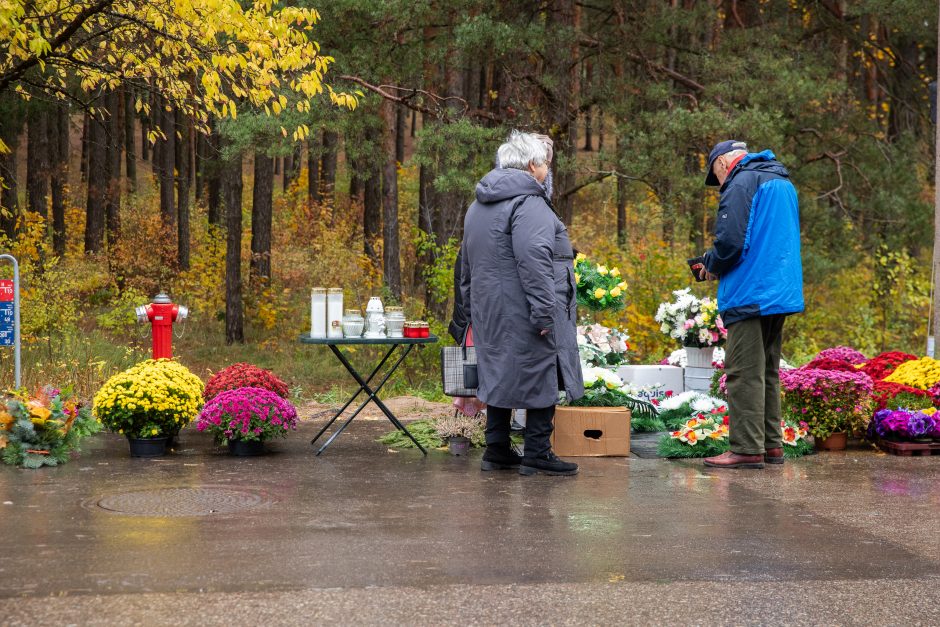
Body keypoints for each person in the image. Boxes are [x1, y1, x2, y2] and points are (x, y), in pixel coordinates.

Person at [460, 130, 583, 476]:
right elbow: (535, 262)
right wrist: (546, 312)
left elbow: (465, 265)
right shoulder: (528, 204)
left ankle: (497, 448)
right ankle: (538, 452)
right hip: (525, 309)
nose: (547, 170)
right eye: (544, 164)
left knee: (498, 372)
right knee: (541, 371)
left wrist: (471, 309)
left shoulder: (478, 205)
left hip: (491, 311)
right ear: (532, 165)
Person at [696, 140, 804, 469]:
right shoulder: (781, 181)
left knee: (743, 373)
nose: (720, 183)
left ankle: (745, 448)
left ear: (723, 163)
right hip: (779, 290)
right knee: (767, 371)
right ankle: (771, 444)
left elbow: (729, 243)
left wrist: (709, 264)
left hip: (749, 291)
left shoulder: (742, 180)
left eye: (717, 174)